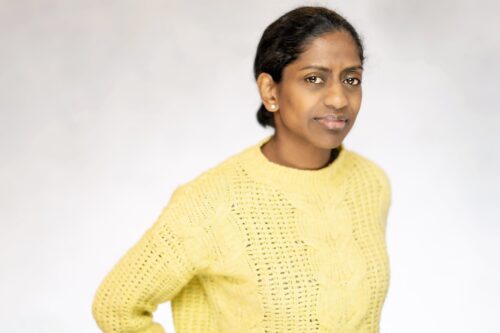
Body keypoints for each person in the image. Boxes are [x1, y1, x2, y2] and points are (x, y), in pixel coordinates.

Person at [92, 5, 392, 333]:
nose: (338, 98)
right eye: (314, 79)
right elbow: (117, 306)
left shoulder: (369, 183)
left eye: (351, 79)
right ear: (270, 90)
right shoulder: (212, 201)